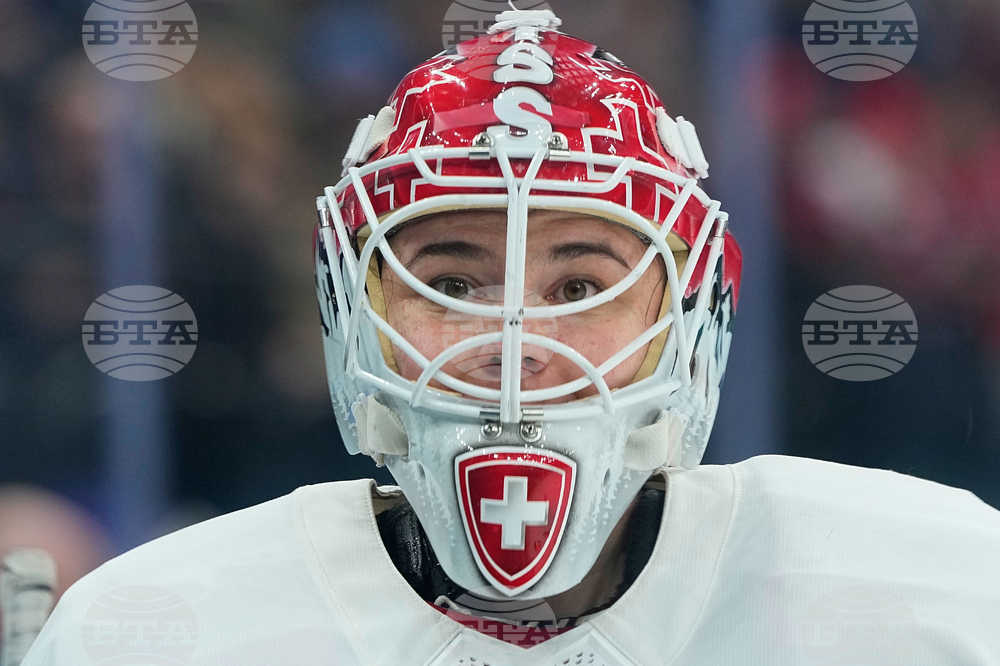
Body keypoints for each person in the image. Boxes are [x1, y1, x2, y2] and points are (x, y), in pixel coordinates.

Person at [22, 9, 1000, 665]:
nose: (516, 338)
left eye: (581, 284)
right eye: (448, 282)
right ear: (353, 312)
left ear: (688, 320)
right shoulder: (157, 628)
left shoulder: (938, 585)